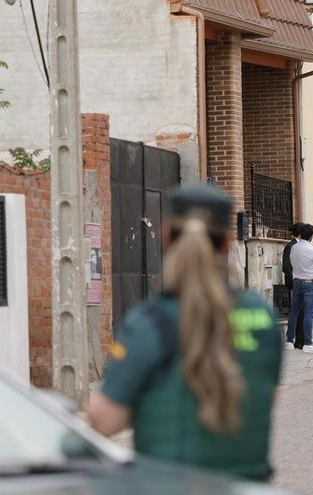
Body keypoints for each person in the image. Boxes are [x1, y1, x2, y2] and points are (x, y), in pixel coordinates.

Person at [87, 183, 282, 480]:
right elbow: (264, 399)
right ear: (228, 241)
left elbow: (105, 420)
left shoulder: (149, 322)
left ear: (166, 236)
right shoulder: (263, 316)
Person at [286, 223, 313, 353]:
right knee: (308, 313)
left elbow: (291, 263)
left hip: (297, 282)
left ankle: (289, 340)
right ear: (311, 236)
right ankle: (307, 343)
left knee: (294, 312)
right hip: (310, 282)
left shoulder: (294, 248)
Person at [282, 222, 307, 349]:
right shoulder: (290, 246)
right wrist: (293, 283)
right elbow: (287, 267)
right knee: (296, 313)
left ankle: (301, 339)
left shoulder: (300, 246)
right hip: (295, 283)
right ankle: (293, 339)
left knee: (302, 312)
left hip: (301, 282)